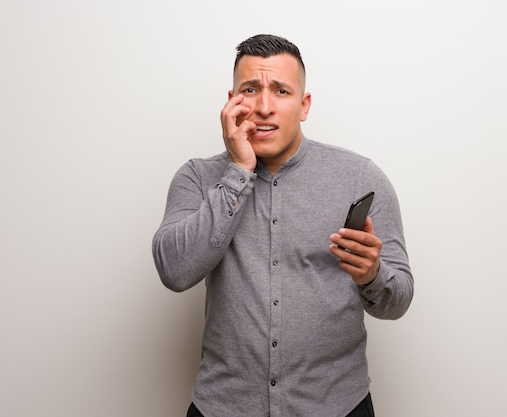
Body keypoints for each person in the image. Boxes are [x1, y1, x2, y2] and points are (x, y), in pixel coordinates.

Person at [152, 34, 414, 417]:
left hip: (337, 406)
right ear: (231, 101)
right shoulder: (197, 177)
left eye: (280, 91)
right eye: (250, 89)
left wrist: (372, 274)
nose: (263, 107)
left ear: (304, 105)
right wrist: (239, 170)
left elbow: (400, 299)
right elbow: (174, 271)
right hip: (224, 406)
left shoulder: (360, 178)